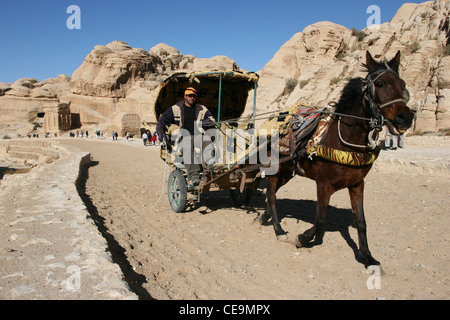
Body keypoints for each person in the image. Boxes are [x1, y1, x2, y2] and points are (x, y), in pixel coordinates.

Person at [156, 87, 215, 187]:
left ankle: (210, 168)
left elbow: (211, 119)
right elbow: (162, 121)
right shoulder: (176, 108)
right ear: (185, 96)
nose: (192, 98)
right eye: (190, 95)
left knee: (207, 143)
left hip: (199, 135)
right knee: (187, 147)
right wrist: (160, 131)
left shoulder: (202, 109)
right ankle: (194, 175)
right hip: (184, 137)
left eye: (194, 96)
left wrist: (202, 123)